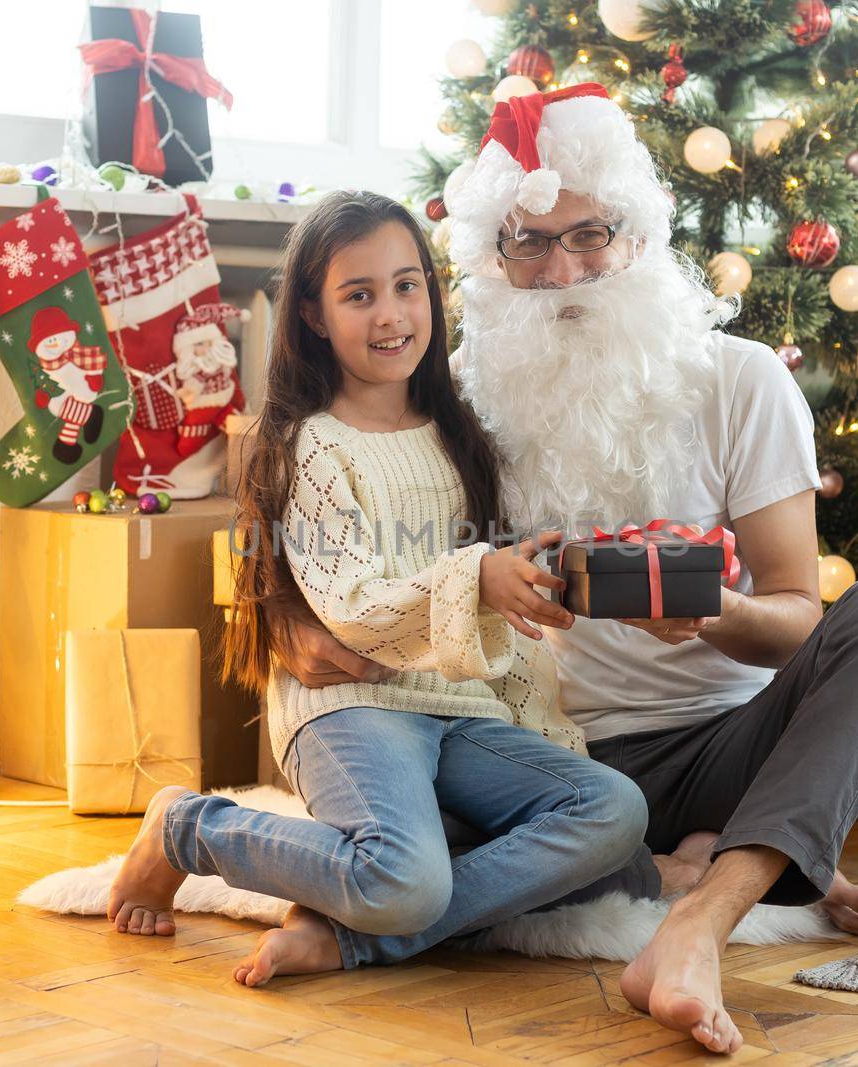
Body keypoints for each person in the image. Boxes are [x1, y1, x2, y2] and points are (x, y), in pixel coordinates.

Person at [275, 84, 858, 1055]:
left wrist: (713, 612)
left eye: (593, 233)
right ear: (491, 260)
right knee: (403, 810)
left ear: (639, 234)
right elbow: (362, 559)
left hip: (724, 737)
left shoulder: (739, 379)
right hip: (544, 760)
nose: (566, 269)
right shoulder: (456, 398)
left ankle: (696, 914)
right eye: (530, 243)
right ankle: (750, 856)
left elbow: (801, 613)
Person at [106, 190, 652, 988]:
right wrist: (478, 575)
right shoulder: (312, 445)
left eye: (407, 286)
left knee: (615, 814)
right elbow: (352, 608)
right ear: (314, 316)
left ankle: (355, 933)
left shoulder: (461, 430)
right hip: (353, 707)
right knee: (406, 879)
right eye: (359, 295)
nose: (391, 313)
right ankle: (190, 827)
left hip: (461, 709)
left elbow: (487, 577)